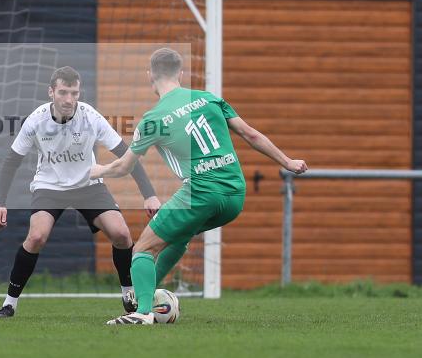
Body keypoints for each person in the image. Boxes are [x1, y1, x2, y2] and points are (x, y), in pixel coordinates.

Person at [90, 48, 308, 324]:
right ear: (181, 74)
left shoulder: (153, 120)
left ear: (150, 76)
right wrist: (288, 162)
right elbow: (250, 134)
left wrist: (98, 170)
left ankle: (142, 313)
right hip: (233, 197)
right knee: (179, 236)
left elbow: (124, 166)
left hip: (200, 193)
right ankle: (145, 297)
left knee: (142, 250)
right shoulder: (208, 98)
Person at [0, 66, 161, 317]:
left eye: (74, 93)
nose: (69, 99)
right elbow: (11, 161)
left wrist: (149, 193)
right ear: (51, 92)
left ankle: (128, 294)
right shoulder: (36, 120)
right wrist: (0, 202)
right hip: (49, 186)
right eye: (63, 92)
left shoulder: (91, 117)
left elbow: (127, 155)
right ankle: (9, 304)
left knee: (122, 234)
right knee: (37, 237)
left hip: (88, 185)